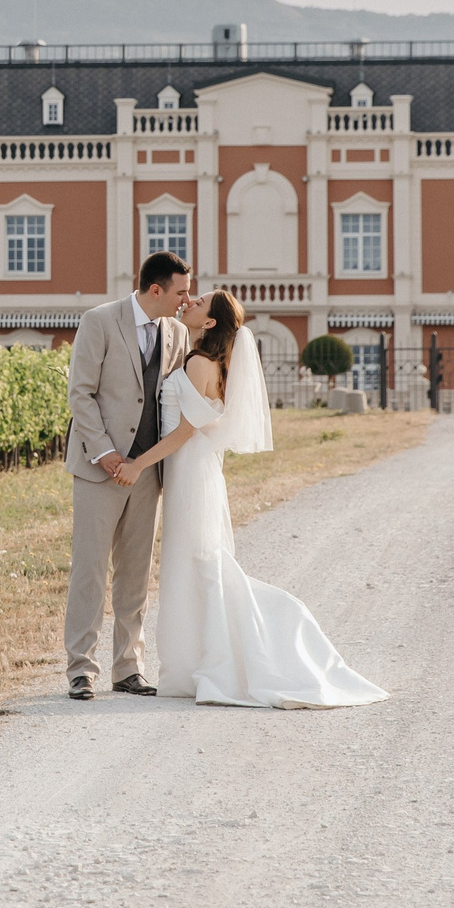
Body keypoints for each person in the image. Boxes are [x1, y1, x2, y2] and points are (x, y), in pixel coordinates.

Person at [119, 289, 388, 709]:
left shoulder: (196, 363)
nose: (190, 301)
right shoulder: (209, 362)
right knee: (197, 562)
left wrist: (137, 464)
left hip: (189, 467)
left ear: (209, 323)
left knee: (196, 563)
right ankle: (197, 660)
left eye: (201, 302)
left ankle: (214, 659)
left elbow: (185, 431)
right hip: (196, 469)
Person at [62, 250, 193, 700]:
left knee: (136, 573)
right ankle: (81, 669)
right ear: (155, 290)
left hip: (147, 472)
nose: (185, 299)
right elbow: (81, 394)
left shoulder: (176, 332)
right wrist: (105, 455)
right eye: (180, 292)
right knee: (90, 570)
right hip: (100, 469)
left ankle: (127, 667)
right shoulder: (99, 321)